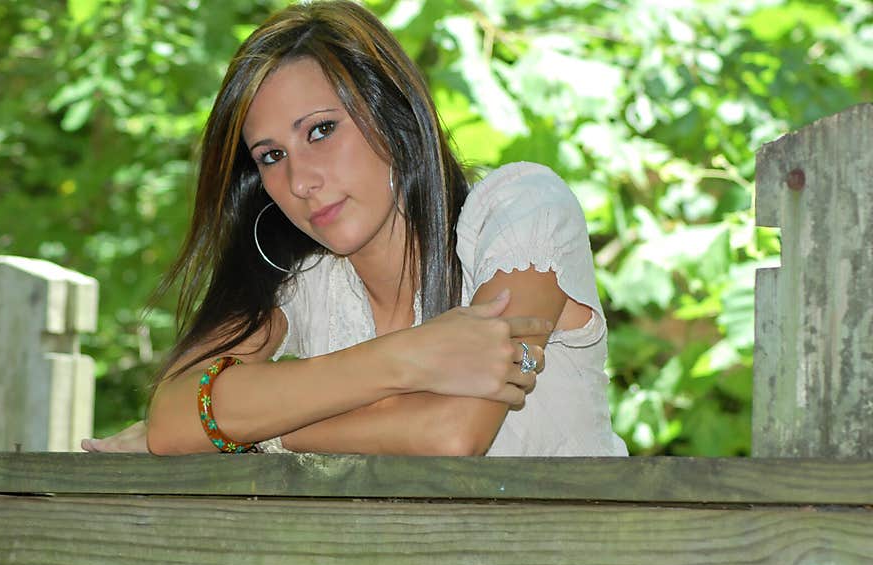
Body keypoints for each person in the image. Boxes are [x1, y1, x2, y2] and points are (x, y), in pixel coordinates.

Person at [82, 0, 628, 457]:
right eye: (271, 156)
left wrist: (256, 430)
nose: (299, 180)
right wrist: (404, 358)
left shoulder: (520, 212)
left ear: (391, 113)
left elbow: (454, 432)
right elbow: (174, 415)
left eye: (321, 130)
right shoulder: (308, 282)